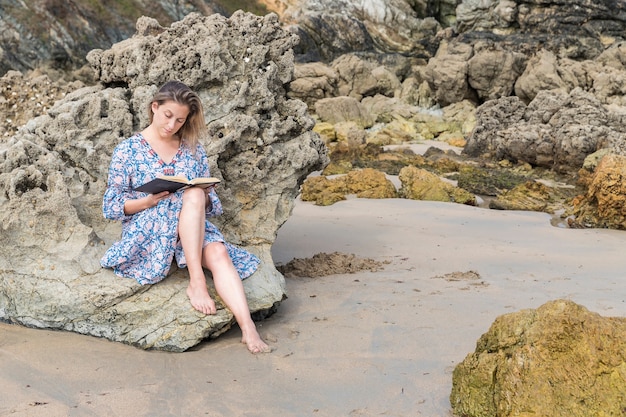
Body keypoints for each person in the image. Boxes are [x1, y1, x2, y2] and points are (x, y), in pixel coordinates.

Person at [100, 80, 270, 354]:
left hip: (190, 224)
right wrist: (146, 200)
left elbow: (209, 205)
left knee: (218, 252)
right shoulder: (128, 150)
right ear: (155, 107)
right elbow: (110, 206)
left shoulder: (193, 148)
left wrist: (205, 191)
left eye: (180, 120)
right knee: (189, 198)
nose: (172, 125)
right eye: (168, 116)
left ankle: (248, 327)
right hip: (150, 225)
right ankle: (197, 281)